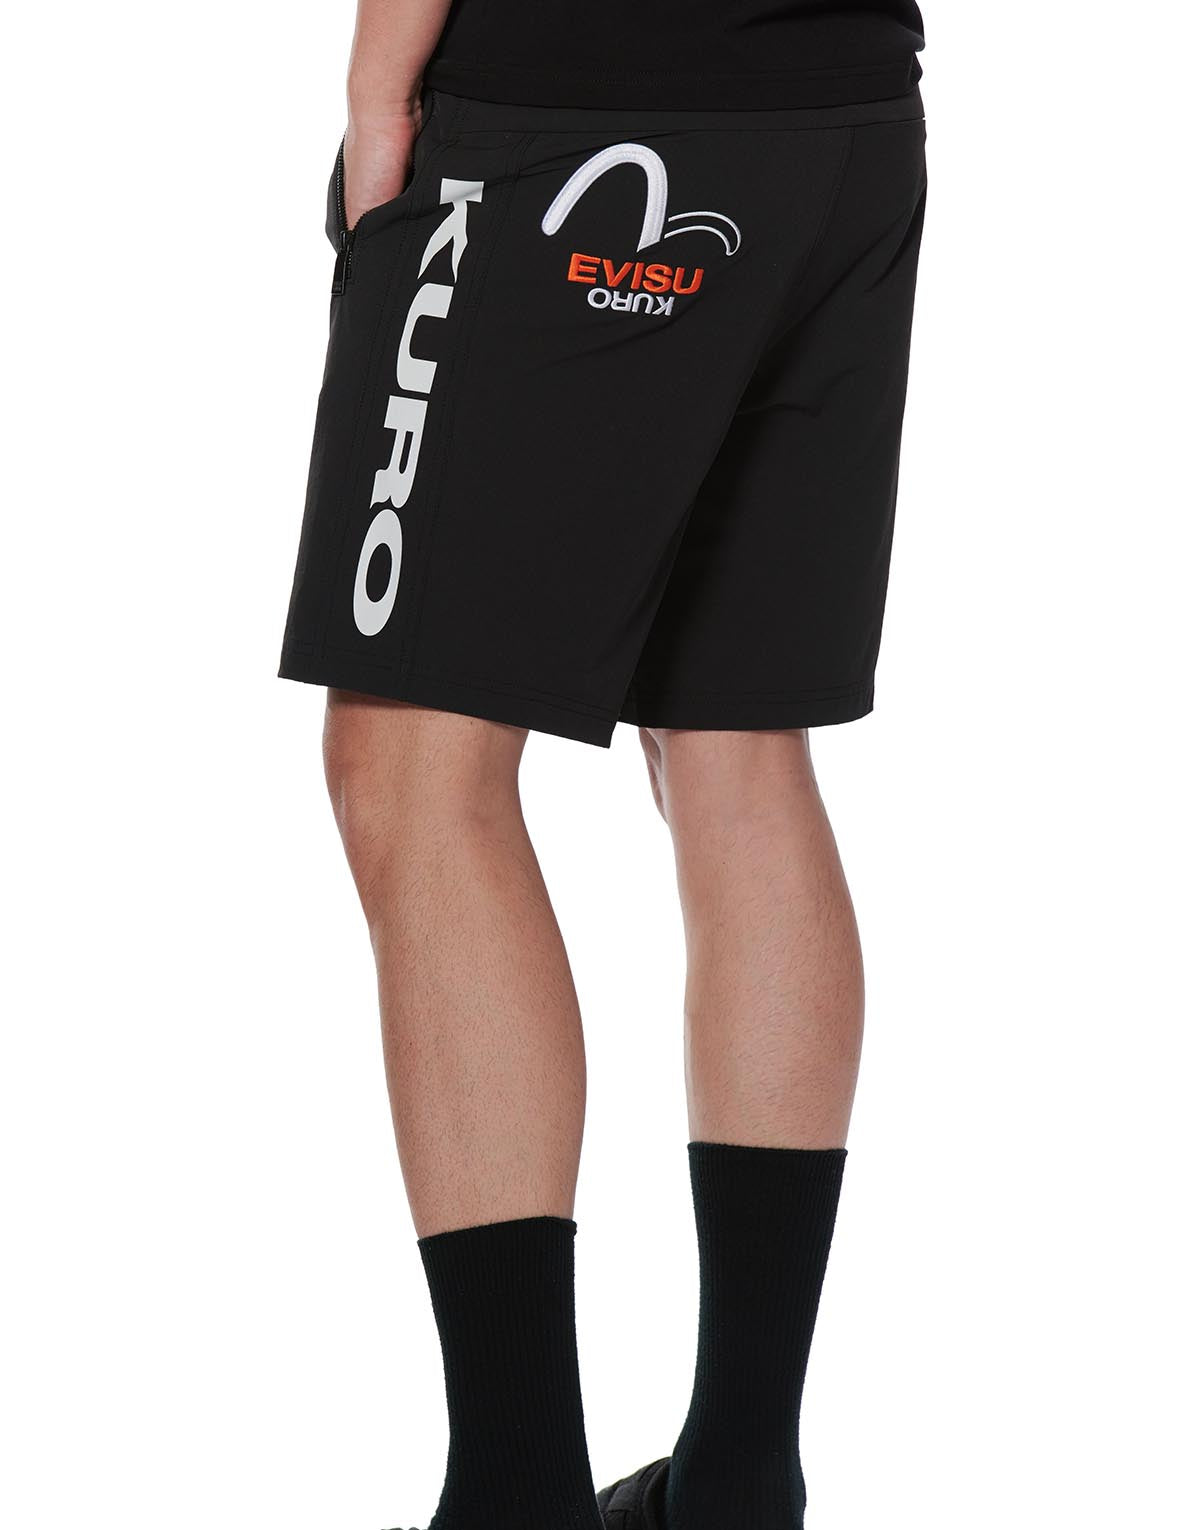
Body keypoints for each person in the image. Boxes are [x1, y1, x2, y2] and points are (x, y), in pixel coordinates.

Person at [279, 1, 927, 1525]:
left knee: (411, 759)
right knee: (735, 744)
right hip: (841, 124)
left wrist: (379, 100)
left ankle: (513, 1494)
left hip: (573, 121)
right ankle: (739, 1482)